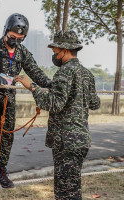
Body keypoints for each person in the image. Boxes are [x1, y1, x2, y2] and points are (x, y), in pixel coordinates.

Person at [15, 30, 101, 199]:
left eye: (55, 51)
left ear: (65, 50)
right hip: (81, 140)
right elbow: (95, 103)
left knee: (64, 192)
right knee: (73, 188)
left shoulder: (64, 72)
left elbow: (54, 104)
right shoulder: (87, 74)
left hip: (66, 142)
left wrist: (32, 87)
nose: (53, 55)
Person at [0, 13, 52, 188]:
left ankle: (1, 172)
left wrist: (50, 84)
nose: (15, 41)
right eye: (13, 37)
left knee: (6, 134)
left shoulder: (22, 52)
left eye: (20, 39)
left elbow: (35, 72)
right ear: (6, 31)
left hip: (8, 98)